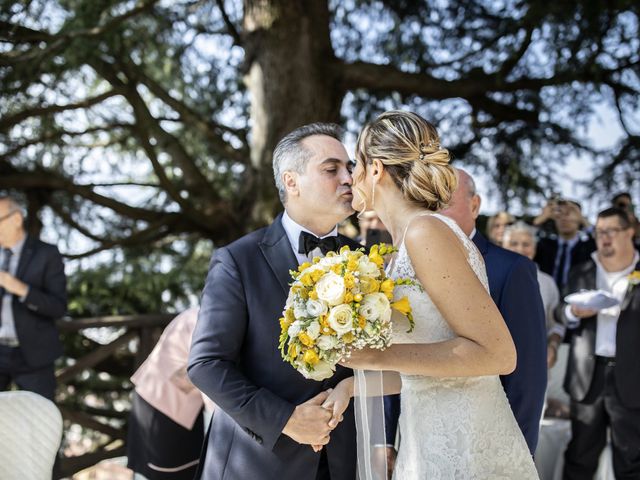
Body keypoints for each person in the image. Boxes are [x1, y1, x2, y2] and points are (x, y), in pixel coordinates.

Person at [323, 111, 538, 478]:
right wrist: (349, 386)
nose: (349, 177)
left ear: (375, 169)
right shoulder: (402, 245)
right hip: (425, 441)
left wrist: (375, 357)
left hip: (465, 446)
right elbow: (427, 367)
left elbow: (498, 354)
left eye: (354, 165)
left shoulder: (426, 232)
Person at [187, 123, 361, 480]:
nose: (349, 178)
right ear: (291, 181)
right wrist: (287, 420)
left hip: (344, 462)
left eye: (351, 168)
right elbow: (206, 364)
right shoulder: (238, 260)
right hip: (256, 464)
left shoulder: (367, 262)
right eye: (332, 169)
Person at [559, 207, 640, 479]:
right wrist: (573, 312)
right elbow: (560, 311)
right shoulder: (582, 270)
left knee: (632, 459)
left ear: (630, 231)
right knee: (580, 456)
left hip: (632, 379)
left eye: (611, 231)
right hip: (588, 379)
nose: (604, 238)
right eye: (599, 232)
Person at [127, 307, 214, 480]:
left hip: (161, 401)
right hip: (163, 409)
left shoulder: (200, 312)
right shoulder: (205, 320)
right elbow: (209, 378)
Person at [0, 195, 67, 401]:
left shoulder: (47, 254)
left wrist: (21, 289)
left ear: (16, 219)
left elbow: (58, 307)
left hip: (33, 356)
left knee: (38, 425)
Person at [502, 222, 564, 368]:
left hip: (535, 364)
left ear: (535, 248)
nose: (520, 249)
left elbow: (556, 324)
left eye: (526, 244)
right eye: (513, 243)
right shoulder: (489, 278)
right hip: (496, 365)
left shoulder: (548, 283)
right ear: (502, 246)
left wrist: (553, 346)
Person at [534, 199, 595, 290]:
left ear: (578, 218)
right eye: (559, 213)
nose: (564, 218)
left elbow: (601, 239)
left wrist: (583, 219)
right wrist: (541, 219)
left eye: (569, 213)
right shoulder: (544, 246)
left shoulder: (588, 247)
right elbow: (522, 244)